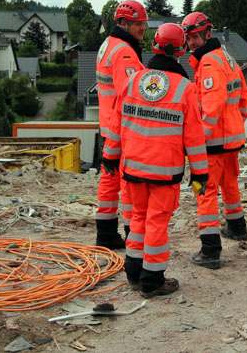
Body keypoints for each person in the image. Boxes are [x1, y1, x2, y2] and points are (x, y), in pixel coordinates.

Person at [102, 23, 208, 297]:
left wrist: (110, 155)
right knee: (157, 223)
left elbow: (117, 124)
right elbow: (194, 138)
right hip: (164, 173)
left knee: (137, 218)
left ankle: (134, 271)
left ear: (154, 46)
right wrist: (200, 174)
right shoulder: (185, 89)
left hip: (133, 169)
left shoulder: (132, 81)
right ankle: (152, 279)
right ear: (181, 51)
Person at [181, 11, 247, 269]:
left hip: (213, 143)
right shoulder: (227, 58)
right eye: (189, 39)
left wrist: (197, 141)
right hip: (230, 140)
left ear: (208, 33)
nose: (191, 43)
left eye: (195, 37)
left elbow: (211, 108)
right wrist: (236, 127)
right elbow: (243, 97)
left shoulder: (209, 63)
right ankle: (237, 227)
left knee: (204, 192)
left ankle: (210, 250)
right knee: (230, 184)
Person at [95, 0, 147, 249]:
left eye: (144, 24)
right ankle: (131, 232)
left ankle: (105, 233)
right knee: (128, 182)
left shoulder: (108, 45)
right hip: (123, 129)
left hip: (109, 126)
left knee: (109, 178)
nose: (142, 29)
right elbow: (131, 94)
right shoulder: (125, 52)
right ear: (124, 23)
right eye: (138, 25)